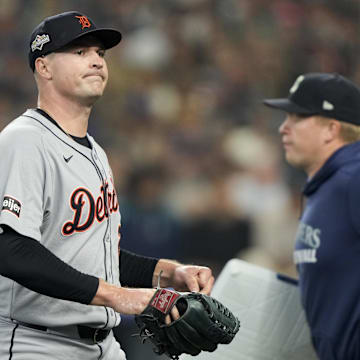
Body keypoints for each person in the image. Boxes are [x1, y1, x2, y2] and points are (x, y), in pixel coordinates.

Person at [0, 11, 214, 360]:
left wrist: (166, 272)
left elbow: (95, 257)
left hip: (103, 344)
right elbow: (10, 249)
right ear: (44, 68)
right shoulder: (24, 140)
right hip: (36, 342)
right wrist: (120, 296)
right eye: (79, 52)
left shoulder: (96, 152)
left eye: (100, 53)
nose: (96, 61)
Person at [264, 72, 360, 360]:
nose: (283, 128)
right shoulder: (326, 186)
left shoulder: (354, 179)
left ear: (331, 129)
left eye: (296, 117)